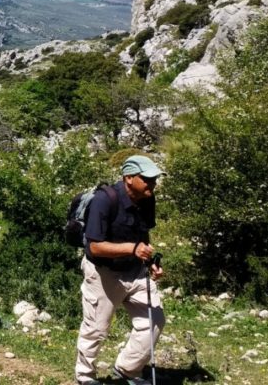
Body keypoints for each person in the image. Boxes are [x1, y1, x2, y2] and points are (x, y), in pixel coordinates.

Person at [75, 155, 165, 385]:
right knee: (96, 329)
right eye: (147, 179)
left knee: (154, 320)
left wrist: (149, 260)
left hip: (135, 270)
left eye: (154, 179)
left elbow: (143, 234)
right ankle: (85, 377)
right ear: (128, 178)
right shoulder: (105, 201)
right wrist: (132, 249)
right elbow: (95, 246)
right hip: (104, 272)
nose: (152, 184)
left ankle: (127, 369)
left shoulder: (147, 199)